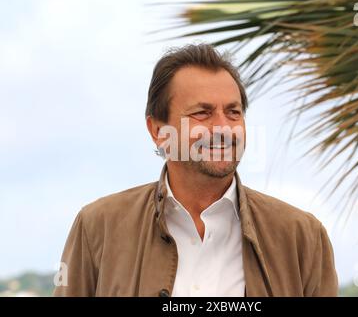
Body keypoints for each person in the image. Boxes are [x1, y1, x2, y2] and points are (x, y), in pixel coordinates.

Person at [53, 43, 338, 297]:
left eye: (233, 112)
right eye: (202, 113)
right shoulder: (97, 227)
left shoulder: (303, 237)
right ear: (158, 131)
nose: (223, 128)